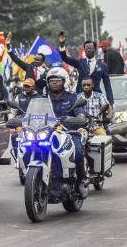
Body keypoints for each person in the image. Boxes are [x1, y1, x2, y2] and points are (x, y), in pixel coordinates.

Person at [46, 68, 88, 198]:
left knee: (79, 153)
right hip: (49, 132)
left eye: (57, 80)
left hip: (69, 132)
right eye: (51, 81)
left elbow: (80, 113)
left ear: (64, 82)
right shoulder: (44, 98)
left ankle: (81, 180)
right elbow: (34, 112)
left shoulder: (72, 97)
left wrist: (78, 118)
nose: (54, 83)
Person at [58, 33, 114, 105]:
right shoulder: (79, 63)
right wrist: (62, 44)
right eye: (86, 48)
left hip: (97, 99)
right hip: (80, 98)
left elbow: (107, 85)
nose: (88, 50)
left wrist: (110, 103)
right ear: (84, 50)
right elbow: (64, 58)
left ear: (95, 49)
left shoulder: (103, 66)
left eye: (90, 48)